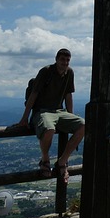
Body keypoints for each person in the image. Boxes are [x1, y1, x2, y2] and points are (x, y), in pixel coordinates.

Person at [19, 48, 85, 183]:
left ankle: (62, 161)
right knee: (49, 129)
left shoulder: (69, 73)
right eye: (62, 59)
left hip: (59, 111)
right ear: (56, 59)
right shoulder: (46, 71)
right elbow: (34, 94)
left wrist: (70, 116)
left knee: (84, 125)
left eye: (67, 60)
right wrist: (25, 118)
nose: (65, 63)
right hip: (42, 111)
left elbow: (68, 95)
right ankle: (45, 160)